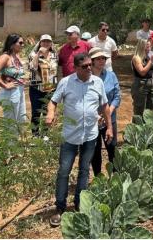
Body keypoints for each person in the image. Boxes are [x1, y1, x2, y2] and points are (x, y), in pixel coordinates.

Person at [46, 53, 113, 227]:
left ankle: (79, 205)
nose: (89, 68)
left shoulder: (97, 82)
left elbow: (104, 106)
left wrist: (110, 127)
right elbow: (53, 101)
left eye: (90, 65)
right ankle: (60, 207)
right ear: (76, 68)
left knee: (84, 170)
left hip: (90, 135)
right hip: (70, 136)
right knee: (64, 171)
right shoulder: (66, 82)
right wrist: (50, 113)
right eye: (85, 66)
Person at [89, 47, 121, 176]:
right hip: (93, 120)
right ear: (91, 61)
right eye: (98, 58)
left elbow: (117, 95)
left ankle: (115, 177)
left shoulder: (111, 75)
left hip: (110, 119)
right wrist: (96, 115)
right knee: (95, 150)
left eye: (104, 58)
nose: (102, 61)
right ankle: (98, 177)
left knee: (112, 148)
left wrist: (110, 110)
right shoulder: (86, 77)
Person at [0, 34, 27, 125]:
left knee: (21, 120)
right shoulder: (5, 57)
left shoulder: (16, 56)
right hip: (11, 93)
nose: (23, 45)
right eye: (20, 43)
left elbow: (7, 76)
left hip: (20, 90)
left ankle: (16, 139)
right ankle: (10, 140)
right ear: (12, 44)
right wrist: (4, 86)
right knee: (11, 123)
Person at [28, 34, 58, 134]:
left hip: (50, 89)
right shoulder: (33, 54)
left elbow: (57, 71)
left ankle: (45, 134)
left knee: (48, 112)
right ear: (40, 42)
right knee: (36, 112)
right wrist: (39, 54)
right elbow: (33, 67)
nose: (46, 43)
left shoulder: (54, 55)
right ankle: (35, 134)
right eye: (43, 41)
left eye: (48, 41)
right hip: (36, 88)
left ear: (51, 43)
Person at [131, 39, 153, 118]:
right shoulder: (136, 58)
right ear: (142, 47)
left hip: (150, 85)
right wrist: (151, 61)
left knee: (149, 110)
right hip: (141, 86)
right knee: (139, 110)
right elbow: (142, 72)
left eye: (150, 46)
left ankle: (146, 129)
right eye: (148, 46)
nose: (149, 48)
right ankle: (136, 129)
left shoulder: (146, 57)